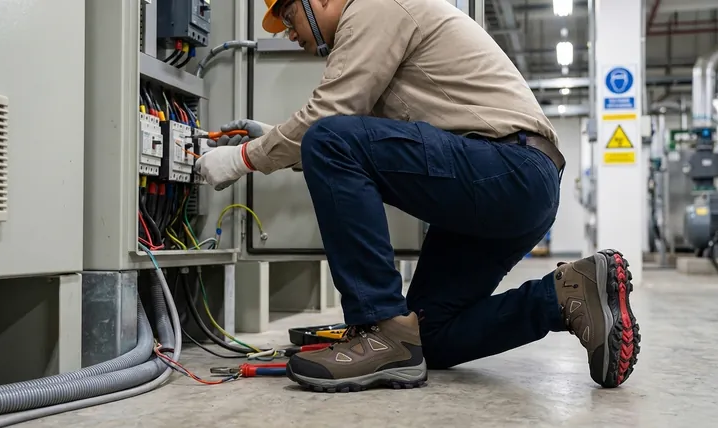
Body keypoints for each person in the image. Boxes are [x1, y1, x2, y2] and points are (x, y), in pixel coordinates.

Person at [195, 0, 641, 393]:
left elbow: (331, 122)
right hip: (513, 183)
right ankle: (565, 297)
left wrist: (242, 159)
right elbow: (363, 140)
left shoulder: (373, 6)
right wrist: (275, 139)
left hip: (509, 170)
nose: (291, 35)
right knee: (431, 337)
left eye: (290, 17)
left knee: (328, 138)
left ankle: (382, 328)